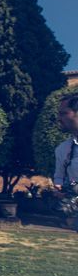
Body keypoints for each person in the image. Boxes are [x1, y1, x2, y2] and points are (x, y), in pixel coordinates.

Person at [53, 93, 78, 231]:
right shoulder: (63, 149)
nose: (59, 118)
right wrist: (60, 189)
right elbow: (59, 177)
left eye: (64, 113)